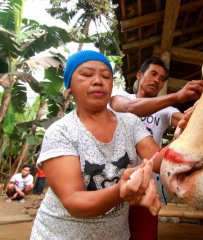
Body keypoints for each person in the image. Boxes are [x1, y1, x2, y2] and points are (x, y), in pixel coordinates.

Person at [30, 50, 162, 240]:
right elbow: (74, 201)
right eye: (86, 74)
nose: (98, 80)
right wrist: (120, 190)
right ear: (69, 87)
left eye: (106, 76)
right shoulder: (61, 132)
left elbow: (158, 158)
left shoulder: (131, 123)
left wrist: (189, 135)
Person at [110, 57, 203, 240]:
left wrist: (199, 109)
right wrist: (178, 96)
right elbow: (128, 108)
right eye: (153, 74)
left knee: (144, 236)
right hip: (113, 180)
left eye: (162, 78)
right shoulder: (121, 96)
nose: (157, 80)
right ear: (139, 75)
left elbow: (188, 122)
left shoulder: (166, 111)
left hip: (145, 186)